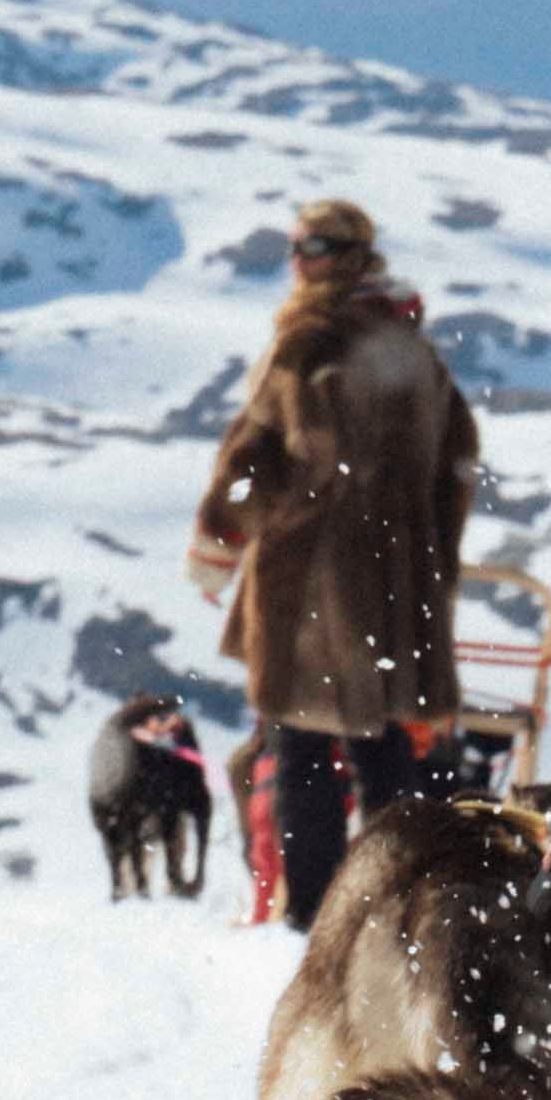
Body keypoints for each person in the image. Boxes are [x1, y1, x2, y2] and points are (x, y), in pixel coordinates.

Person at [189, 196, 479, 924]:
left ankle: (312, 919)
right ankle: (388, 907)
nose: (298, 260)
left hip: (316, 574)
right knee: (383, 748)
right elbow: (459, 461)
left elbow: (253, 457)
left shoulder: (308, 344)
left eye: (313, 246)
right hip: (396, 580)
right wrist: (432, 555)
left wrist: (219, 543)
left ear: (343, 256)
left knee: (302, 744)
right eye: (297, 245)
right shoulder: (412, 351)